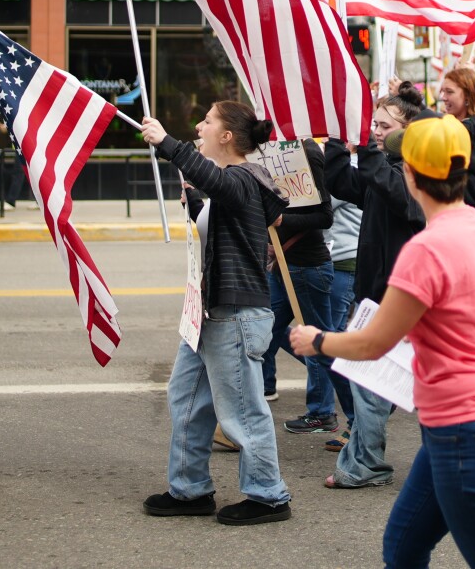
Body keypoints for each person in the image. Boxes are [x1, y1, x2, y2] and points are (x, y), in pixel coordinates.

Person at [291, 114, 475, 569]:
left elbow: (372, 345)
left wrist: (317, 340)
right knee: (402, 548)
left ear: (411, 173)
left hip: (469, 433)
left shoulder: (424, 248)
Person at [140, 102, 292, 526]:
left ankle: (268, 495)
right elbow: (218, 227)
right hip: (208, 314)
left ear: (227, 136)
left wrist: (166, 142)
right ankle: (189, 489)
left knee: (242, 409)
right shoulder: (226, 185)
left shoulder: (243, 177)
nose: (199, 126)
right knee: (186, 398)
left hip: (236, 314)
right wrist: (193, 202)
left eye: (207, 121)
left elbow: (217, 182)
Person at [322, 84, 427, 488]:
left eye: (384, 126)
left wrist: (365, 147)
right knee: (371, 383)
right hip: (375, 295)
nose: (377, 131)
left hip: (401, 298)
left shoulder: (416, 174)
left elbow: (393, 190)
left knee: (371, 382)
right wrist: (336, 138)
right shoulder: (381, 169)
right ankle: (364, 460)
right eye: (373, 125)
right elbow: (341, 181)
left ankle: (365, 463)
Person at [261, 139, 340, 435]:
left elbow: (324, 215)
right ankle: (328, 378)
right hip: (283, 267)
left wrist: (282, 221)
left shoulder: (305, 151)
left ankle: (324, 411)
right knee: (267, 330)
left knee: (317, 341)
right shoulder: (270, 152)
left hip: (307, 268)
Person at [323, 190, 362, 451]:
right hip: (330, 262)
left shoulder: (350, 171)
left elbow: (319, 203)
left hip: (344, 263)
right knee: (323, 347)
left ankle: (356, 420)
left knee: (329, 347)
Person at [438, 67, 475, 212]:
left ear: (468, 96)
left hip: (470, 213)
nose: (443, 97)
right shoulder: (458, 124)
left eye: (449, 92)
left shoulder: (474, 127)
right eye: (443, 91)